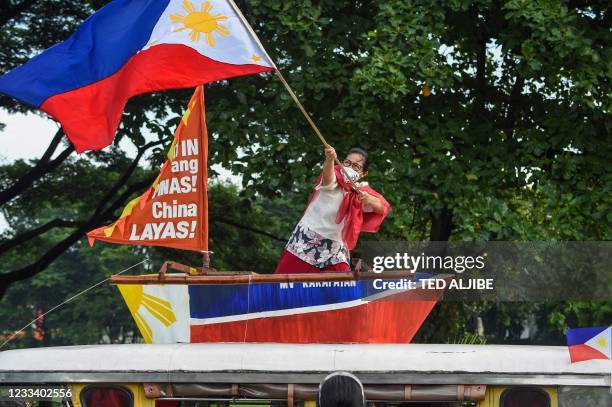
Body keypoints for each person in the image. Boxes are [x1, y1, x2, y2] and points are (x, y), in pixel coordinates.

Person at [275, 146, 390, 274]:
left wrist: (369, 200)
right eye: (347, 163)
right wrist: (329, 159)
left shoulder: (361, 191)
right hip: (306, 240)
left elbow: (382, 208)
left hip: (336, 249)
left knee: (342, 287)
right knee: (283, 283)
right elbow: (328, 178)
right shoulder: (333, 177)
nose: (349, 168)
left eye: (356, 166)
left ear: (363, 174)